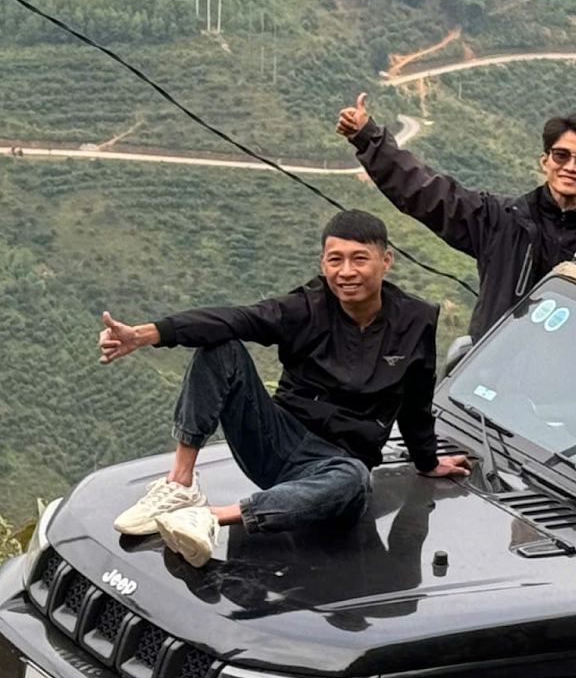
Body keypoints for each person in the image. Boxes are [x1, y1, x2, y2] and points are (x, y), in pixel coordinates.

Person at [97, 210, 470, 568]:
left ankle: (208, 518)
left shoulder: (415, 320)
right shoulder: (306, 308)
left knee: (355, 479)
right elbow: (236, 319)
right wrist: (146, 335)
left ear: (386, 261)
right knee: (221, 345)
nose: (346, 272)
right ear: (322, 265)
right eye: (335, 260)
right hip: (276, 440)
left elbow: (417, 397)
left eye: (360, 259)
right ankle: (180, 484)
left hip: (336, 465)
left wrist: (427, 460)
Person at [338, 99, 576, 341]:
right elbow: (428, 192)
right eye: (561, 156)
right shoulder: (501, 221)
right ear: (545, 161)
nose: (571, 167)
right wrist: (369, 139)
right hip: (498, 374)